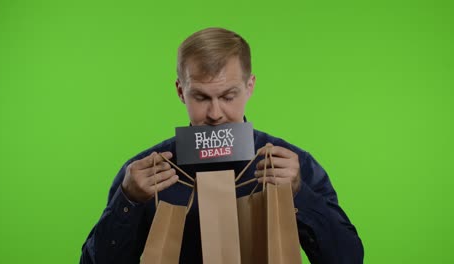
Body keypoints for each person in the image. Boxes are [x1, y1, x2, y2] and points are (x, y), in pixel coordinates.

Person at [80, 27, 364, 264]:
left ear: (249, 86)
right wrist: (127, 201)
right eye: (201, 97)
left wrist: (300, 194)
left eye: (228, 96)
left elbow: (348, 258)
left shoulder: (292, 165)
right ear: (181, 91)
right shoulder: (145, 173)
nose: (215, 114)